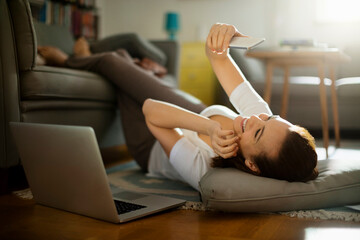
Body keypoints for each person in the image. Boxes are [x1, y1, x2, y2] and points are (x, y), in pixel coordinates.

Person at [37, 24, 318, 191]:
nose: (255, 118)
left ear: (252, 165)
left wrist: (208, 126)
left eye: (258, 133)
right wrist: (222, 40)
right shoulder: (259, 119)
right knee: (123, 60)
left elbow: (152, 112)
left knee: (114, 63)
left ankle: (67, 60)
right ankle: (119, 63)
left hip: (152, 142)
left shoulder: (207, 171)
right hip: (194, 110)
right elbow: (218, 60)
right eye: (271, 117)